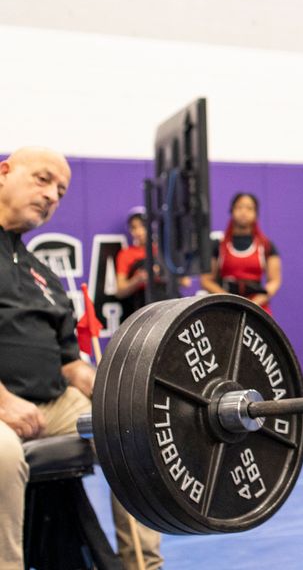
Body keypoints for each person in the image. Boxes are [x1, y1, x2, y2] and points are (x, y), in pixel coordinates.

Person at [0, 147, 162, 570]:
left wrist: (112, 390)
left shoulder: (43, 275)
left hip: (50, 403)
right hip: (1, 406)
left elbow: (70, 363)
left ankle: (143, 565)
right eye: (42, 179)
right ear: (4, 173)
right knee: (3, 453)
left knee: (131, 430)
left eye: (61, 190)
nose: (52, 194)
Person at [200, 192, 282, 311]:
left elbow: (274, 281)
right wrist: (229, 300)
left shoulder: (266, 246)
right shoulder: (219, 246)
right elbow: (206, 280)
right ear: (232, 211)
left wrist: (253, 304)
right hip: (226, 308)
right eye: (239, 207)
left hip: (257, 309)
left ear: (256, 214)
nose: (244, 212)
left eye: (249, 208)